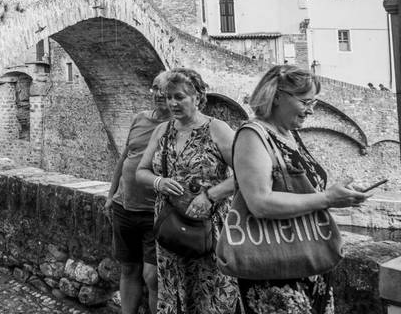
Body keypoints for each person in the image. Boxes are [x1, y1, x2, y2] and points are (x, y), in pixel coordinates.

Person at [233, 65, 370, 314]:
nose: (312, 109)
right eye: (306, 101)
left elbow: (303, 190)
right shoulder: (253, 135)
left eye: (314, 102)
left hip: (308, 258)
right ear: (277, 96)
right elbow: (259, 203)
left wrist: (341, 192)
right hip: (275, 265)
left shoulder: (290, 135)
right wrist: (327, 198)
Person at [135, 68, 238, 314]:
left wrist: (210, 195)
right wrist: (159, 182)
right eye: (169, 96)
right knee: (174, 290)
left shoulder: (218, 129)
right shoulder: (163, 131)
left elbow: (250, 174)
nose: (172, 103)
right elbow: (141, 172)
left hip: (210, 227)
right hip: (171, 226)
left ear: (198, 97)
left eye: (179, 97)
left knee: (210, 293)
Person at [106, 71, 173, 314]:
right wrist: (111, 194)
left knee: (152, 275)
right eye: (155, 88)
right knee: (128, 269)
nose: (158, 95)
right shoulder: (140, 118)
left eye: (165, 91)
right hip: (124, 207)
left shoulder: (176, 126)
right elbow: (125, 157)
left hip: (154, 212)